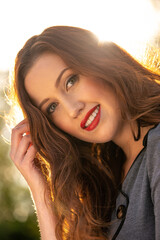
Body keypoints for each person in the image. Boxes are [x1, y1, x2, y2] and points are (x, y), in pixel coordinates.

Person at [9, 26, 160, 240]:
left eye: (71, 81)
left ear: (99, 61)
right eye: (52, 107)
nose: (72, 109)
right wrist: (42, 196)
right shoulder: (102, 188)